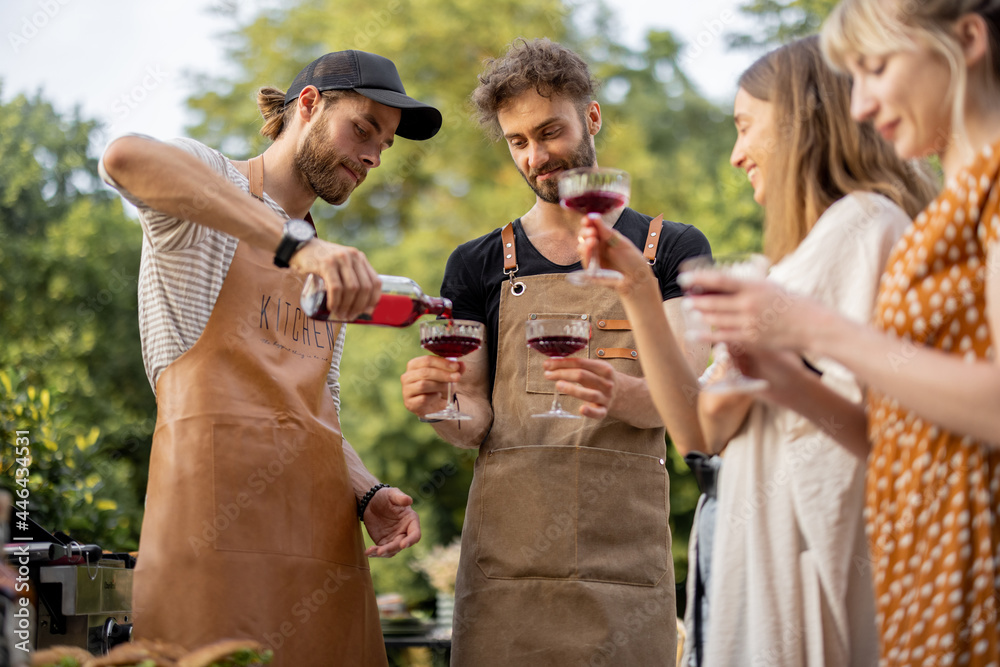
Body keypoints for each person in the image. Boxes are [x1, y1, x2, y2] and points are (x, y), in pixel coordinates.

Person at [580, 35, 937, 666]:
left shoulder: (863, 225)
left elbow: (893, 433)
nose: (736, 154)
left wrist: (773, 368)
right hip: (759, 558)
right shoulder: (794, 262)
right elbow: (698, 428)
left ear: (803, 124)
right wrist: (637, 287)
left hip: (804, 565)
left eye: (747, 127)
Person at [99, 50, 441, 666]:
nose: (372, 156)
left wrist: (367, 494)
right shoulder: (214, 186)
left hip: (324, 555)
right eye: (363, 129)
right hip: (208, 543)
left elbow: (317, 411)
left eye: (385, 145)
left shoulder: (334, 265)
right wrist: (292, 243)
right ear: (307, 105)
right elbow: (123, 157)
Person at [684, 2, 1000, 663]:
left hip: (975, 555)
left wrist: (816, 327)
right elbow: (894, 433)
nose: (858, 104)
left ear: (968, 40)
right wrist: (786, 378)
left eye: (877, 67)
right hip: (923, 561)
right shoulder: (947, 209)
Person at [399, 38, 711, 665]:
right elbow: (474, 422)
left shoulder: (671, 248)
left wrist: (623, 395)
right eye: (518, 142)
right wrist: (438, 407)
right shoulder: (478, 263)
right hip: (508, 570)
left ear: (591, 119)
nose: (537, 158)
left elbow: (691, 406)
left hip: (622, 568)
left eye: (550, 132)